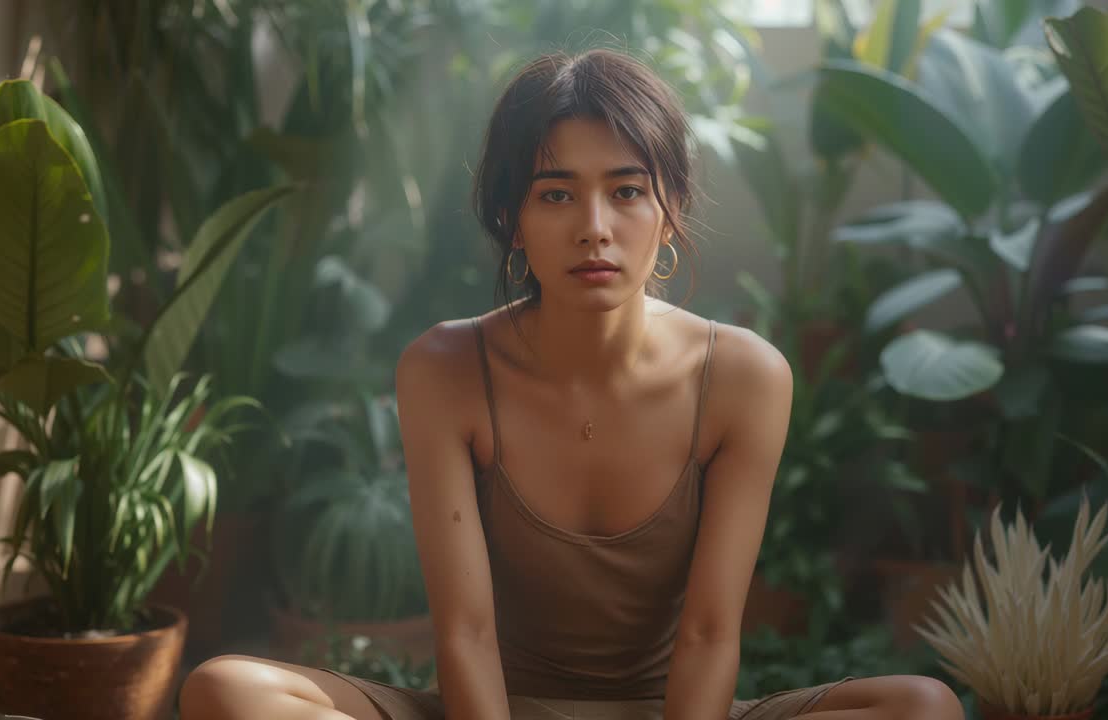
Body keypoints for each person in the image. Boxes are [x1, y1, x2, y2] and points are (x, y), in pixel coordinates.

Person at [179, 48, 965, 720]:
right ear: (513, 220)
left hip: (672, 711)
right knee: (228, 690)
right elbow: (465, 634)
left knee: (922, 708)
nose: (594, 225)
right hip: (489, 707)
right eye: (556, 193)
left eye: (626, 191)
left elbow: (710, 635)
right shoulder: (447, 370)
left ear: (670, 208)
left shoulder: (742, 376)